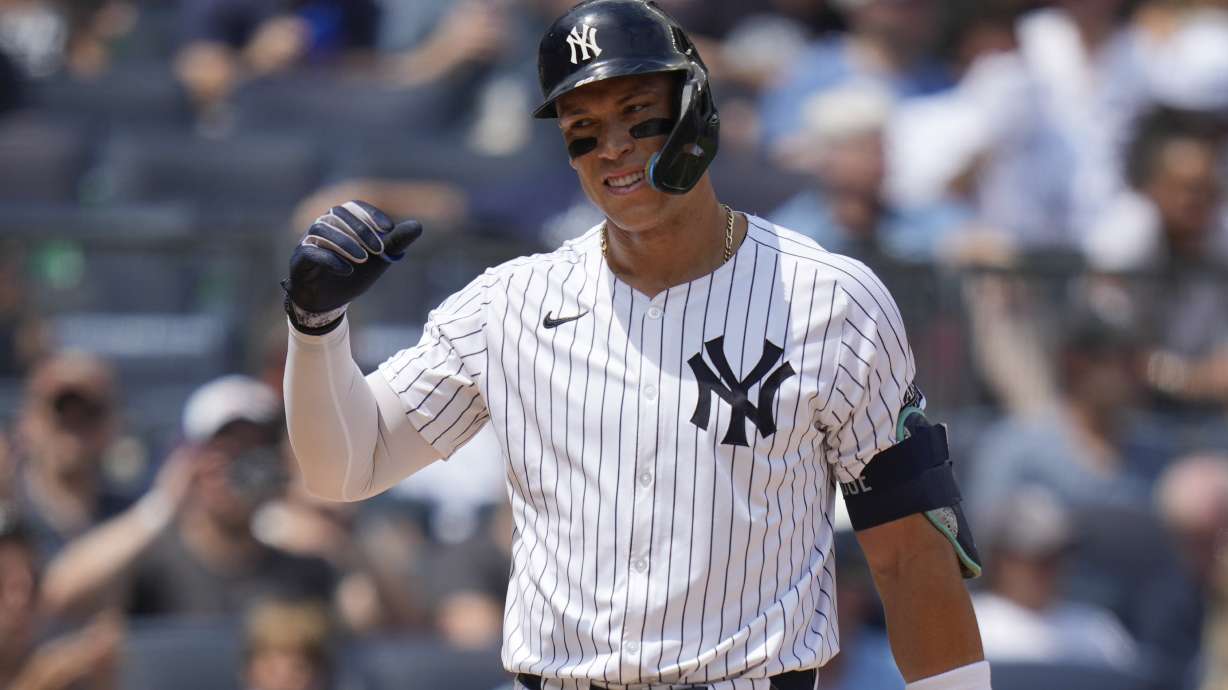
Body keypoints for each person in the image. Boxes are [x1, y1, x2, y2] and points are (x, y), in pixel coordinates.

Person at [282, 2, 988, 689]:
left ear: (698, 111)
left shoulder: (833, 299)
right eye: (584, 127)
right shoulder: (508, 303)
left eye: (638, 114)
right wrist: (315, 328)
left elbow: (909, 555)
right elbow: (347, 466)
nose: (612, 147)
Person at [40, 374, 335, 619]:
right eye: (224, 451)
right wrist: (161, 506)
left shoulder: (302, 564)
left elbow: (374, 615)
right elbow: (58, 595)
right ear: (188, 460)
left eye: (255, 453)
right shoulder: (150, 559)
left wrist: (334, 513)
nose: (238, 469)